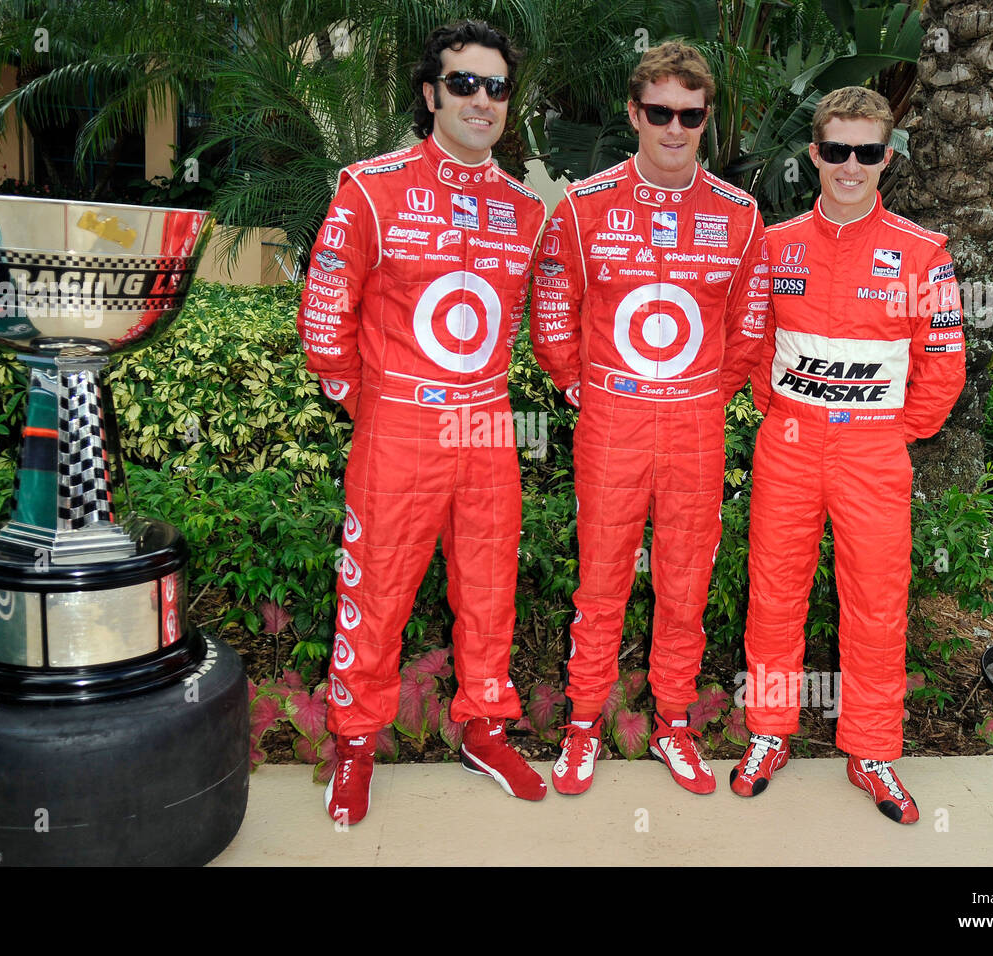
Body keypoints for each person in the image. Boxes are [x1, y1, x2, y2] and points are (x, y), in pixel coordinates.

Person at [298, 20, 549, 826]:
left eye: (497, 87)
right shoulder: (371, 187)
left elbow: (534, 320)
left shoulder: (524, 208)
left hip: (487, 427)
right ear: (431, 92)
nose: (482, 100)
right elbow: (324, 316)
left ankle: (483, 724)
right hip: (398, 427)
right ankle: (357, 745)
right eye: (465, 83)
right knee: (375, 594)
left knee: (489, 587)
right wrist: (367, 407)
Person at [531, 42, 768, 796]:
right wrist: (579, 386)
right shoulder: (583, 204)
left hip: (695, 425)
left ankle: (673, 724)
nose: (674, 127)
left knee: (685, 582)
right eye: (659, 112)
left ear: (706, 119)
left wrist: (709, 392)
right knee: (600, 583)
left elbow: (750, 327)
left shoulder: (740, 214)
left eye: (690, 115)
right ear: (635, 113)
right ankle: (581, 726)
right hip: (612, 424)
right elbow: (551, 312)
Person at [730, 87, 965, 823]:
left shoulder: (923, 253)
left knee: (877, 604)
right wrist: (789, 415)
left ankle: (872, 751)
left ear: (886, 158)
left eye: (866, 152)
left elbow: (944, 363)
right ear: (815, 154)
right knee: (772, 595)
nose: (850, 165)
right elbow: (752, 347)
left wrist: (893, 432)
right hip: (790, 445)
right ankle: (769, 733)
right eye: (836, 151)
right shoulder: (775, 244)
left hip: (873, 454)